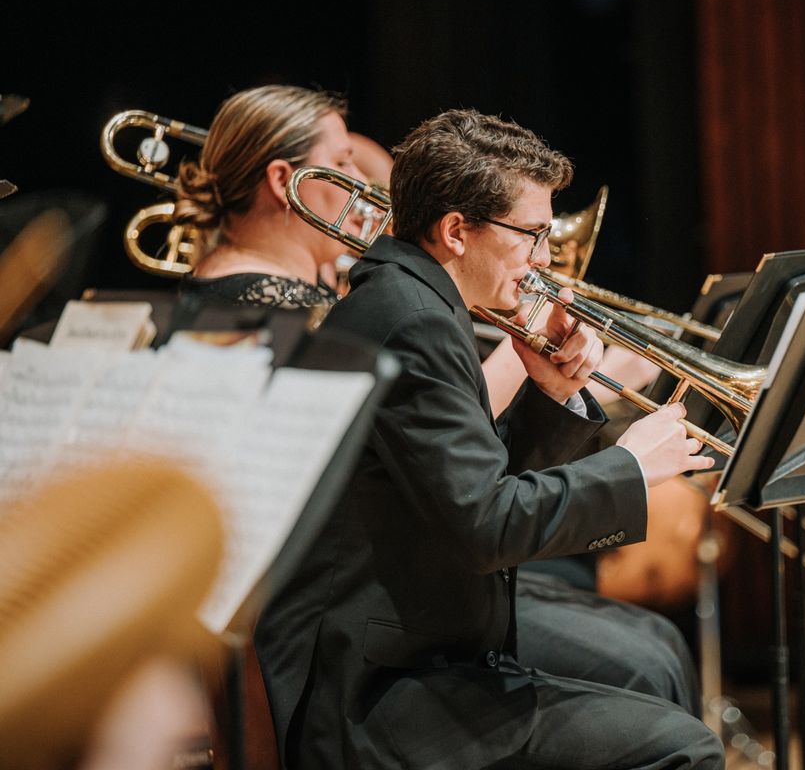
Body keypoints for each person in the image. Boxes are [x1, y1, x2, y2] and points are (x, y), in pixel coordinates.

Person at [254, 108, 724, 769]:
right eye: (532, 235)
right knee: (684, 750)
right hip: (377, 694)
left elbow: (475, 489)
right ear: (455, 232)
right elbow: (487, 526)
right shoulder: (414, 323)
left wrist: (551, 396)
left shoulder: (410, 301)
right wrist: (628, 467)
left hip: (417, 648)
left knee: (653, 680)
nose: (543, 261)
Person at [173, 85, 367, 314]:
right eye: (342, 163)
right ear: (283, 181)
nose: (363, 180)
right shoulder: (280, 307)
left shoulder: (252, 284)